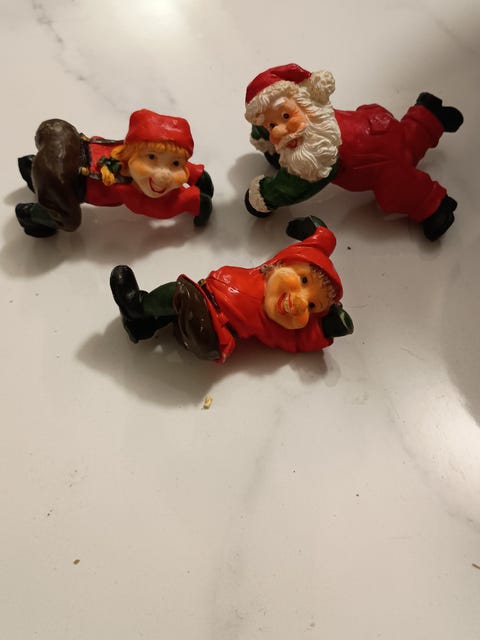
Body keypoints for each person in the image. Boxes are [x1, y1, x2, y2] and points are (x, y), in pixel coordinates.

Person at [244, 63, 464, 241]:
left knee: (396, 189)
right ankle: (428, 116)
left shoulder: (320, 152)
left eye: (286, 117)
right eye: (272, 126)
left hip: (382, 163)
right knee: (404, 138)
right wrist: (267, 140)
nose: (280, 130)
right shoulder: (317, 115)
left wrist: (264, 196)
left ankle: (434, 205)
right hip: (376, 121)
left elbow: (294, 186)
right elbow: (264, 120)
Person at [109, 216, 353, 363]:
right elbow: (314, 249)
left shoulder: (276, 324)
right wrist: (321, 235)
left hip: (213, 330)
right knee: (179, 306)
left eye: (312, 306)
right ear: (285, 263)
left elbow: (299, 338)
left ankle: (137, 306)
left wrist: (325, 329)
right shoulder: (267, 273)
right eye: (304, 281)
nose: (300, 302)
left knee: (179, 293)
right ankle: (144, 325)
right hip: (205, 304)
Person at [15, 109, 213, 237]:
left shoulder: (127, 151)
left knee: (47, 174)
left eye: (176, 164)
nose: (164, 175)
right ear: (132, 152)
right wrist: (193, 201)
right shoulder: (129, 190)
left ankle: (31, 167)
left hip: (67, 148)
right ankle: (30, 214)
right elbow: (162, 208)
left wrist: (193, 172)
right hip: (63, 181)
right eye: (151, 158)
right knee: (69, 221)